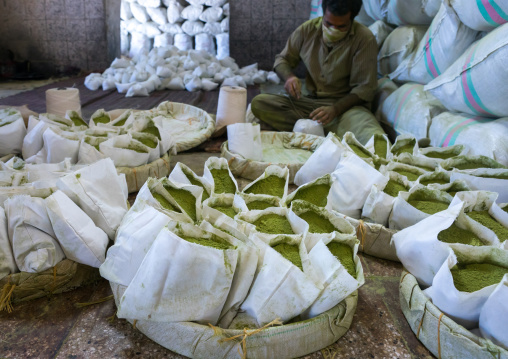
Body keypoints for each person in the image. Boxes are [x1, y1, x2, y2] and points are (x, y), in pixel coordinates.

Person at [250, 0, 386, 144]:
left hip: (347, 108)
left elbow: (365, 89)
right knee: (260, 103)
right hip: (310, 104)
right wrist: (289, 77)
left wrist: (335, 109)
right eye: (328, 24)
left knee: (371, 136)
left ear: (352, 20)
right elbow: (282, 60)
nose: (333, 30)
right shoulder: (307, 30)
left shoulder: (364, 39)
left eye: (341, 27)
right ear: (323, 14)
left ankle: (314, 130)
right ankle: (324, 131)